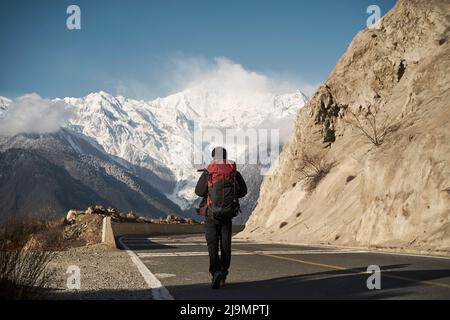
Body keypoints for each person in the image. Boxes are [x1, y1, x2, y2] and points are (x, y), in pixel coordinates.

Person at [195, 147, 247, 289]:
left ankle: (215, 271)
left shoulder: (209, 172)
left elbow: (199, 191)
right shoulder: (233, 172)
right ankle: (223, 275)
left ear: (213, 157)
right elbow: (244, 191)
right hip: (228, 214)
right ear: (225, 156)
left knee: (212, 244)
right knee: (225, 245)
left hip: (211, 214)